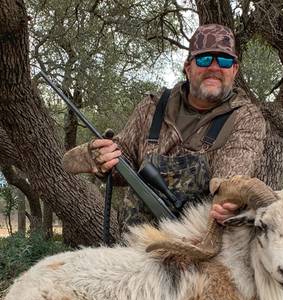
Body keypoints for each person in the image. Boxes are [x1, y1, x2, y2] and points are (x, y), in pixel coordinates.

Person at [63, 24, 267, 229]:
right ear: (188, 67)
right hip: (138, 240)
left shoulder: (246, 118)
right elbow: (121, 162)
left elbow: (231, 179)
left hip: (199, 241)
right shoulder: (152, 106)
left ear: (234, 69)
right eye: (204, 59)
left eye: (224, 60)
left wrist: (228, 205)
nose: (214, 68)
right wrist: (97, 157)